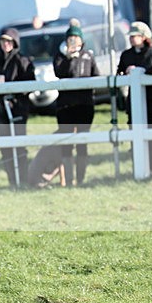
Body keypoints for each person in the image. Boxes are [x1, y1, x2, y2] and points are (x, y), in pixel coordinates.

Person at [0, 28, 36, 188]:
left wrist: (12, 91)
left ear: (14, 42)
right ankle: (12, 181)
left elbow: (30, 84)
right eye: (3, 41)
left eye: (9, 41)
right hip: (0, 110)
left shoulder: (22, 60)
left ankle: (24, 180)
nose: (5, 44)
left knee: (19, 146)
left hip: (17, 109)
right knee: (5, 147)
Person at [116, 22, 152, 179]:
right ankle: (139, 171)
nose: (132, 39)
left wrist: (144, 72)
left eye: (135, 36)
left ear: (144, 37)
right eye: (131, 36)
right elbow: (119, 73)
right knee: (135, 138)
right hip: (133, 105)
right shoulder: (126, 55)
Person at [52, 24, 98, 186]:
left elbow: (96, 76)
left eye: (76, 38)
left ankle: (80, 179)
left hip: (84, 104)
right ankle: (67, 179)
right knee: (66, 142)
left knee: (82, 142)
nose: (73, 41)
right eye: (70, 38)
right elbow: (61, 73)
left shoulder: (88, 56)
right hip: (66, 105)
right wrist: (70, 58)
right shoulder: (60, 56)